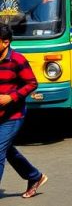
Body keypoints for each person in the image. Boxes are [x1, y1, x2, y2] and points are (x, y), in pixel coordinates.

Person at [0, 24, 47, 198]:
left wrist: (10, 97)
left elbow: (32, 84)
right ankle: (34, 176)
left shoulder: (17, 60)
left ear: (5, 43)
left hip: (13, 115)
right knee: (7, 149)